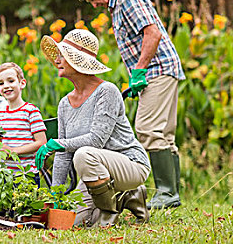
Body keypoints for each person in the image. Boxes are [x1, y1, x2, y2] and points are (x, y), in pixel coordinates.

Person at [74, 0, 185, 209]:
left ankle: (166, 193)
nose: (94, 5)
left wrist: (140, 71)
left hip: (158, 71)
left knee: (148, 130)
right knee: (164, 134)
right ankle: (171, 194)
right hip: (158, 71)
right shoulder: (117, 6)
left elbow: (152, 34)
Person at [36, 29, 151, 226]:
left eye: (62, 56)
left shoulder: (107, 92)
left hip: (130, 164)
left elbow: (96, 140)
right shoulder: (65, 104)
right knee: (73, 222)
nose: (57, 61)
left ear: (78, 61)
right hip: (96, 174)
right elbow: (64, 154)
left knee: (83, 154)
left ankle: (111, 208)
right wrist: (56, 194)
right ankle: (127, 197)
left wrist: (56, 144)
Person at [0, 62, 47, 184]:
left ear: (22, 83)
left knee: (26, 203)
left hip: (26, 174)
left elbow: (41, 142)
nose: (6, 86)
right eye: (1, 83)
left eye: (11, 81)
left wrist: (14, 151)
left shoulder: (30, 111)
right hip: (6, 175)